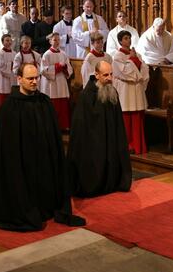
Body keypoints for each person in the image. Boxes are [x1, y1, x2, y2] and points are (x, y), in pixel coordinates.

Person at [0, 63, 86, 231]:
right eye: (30, 79)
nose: (34, 82)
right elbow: (4, 145)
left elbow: (54, 136)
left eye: (36, 78)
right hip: (20, 161)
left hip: (42, 159)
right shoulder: (9, 106)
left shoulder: (44, 102)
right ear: (19, 79)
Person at [68, 60, 132, 197]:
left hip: (111, 138)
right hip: (94, 141)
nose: (109, 78)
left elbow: (117, 120)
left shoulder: (112, 92)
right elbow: (81, 125)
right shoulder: (86, 96)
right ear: (96, 75)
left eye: (111, 74)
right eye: (105, 75)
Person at [113, 30, 150, 154]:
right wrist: (133, 60)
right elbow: (125, 72)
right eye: (125, 38)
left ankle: (138, 145)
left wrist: (135, 60)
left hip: (136, 89)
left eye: (129, 38)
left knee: (137, 118)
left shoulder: (136, 54)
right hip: (125, 90)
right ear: (120, 41)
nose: (128, 40)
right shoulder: (117, 56)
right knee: (127, 120)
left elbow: (144, 70)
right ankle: (128, 145)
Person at [41, 32, 73, 130]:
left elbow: (70, 69)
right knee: (53, 106)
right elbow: (43, 70)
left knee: (62, 105)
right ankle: (52, 127)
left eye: (59, 40)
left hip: (61, 82)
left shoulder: (63, 54)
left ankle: (63, 126)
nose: (57, 42)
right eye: (55, 40)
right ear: (50, 41)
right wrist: (58, 67)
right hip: (51, 84)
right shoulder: (46, 54)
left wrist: (65, 68)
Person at [0, 34, 17, 115]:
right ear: (2, 42)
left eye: (10, 40)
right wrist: (11, 65)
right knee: (4, 96)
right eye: (7, 40)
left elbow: (17, 65)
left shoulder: (14, 53)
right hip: (3, 78)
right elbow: (0, 66)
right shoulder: (0, 54)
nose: (9, 42)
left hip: (13, 78)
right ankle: (3, 114)